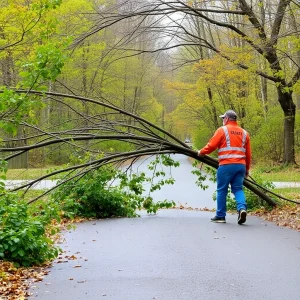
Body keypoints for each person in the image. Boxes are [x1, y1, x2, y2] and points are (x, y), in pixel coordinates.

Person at [197, 110, 251, 225]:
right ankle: (242, 209)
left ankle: (220, 215)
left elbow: (211, 145)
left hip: (226, 165)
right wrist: (247, 169)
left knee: (222, 190)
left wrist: (201, 152)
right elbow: (248, 154)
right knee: (238, 189)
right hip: (241, 166)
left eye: (223, 118)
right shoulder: (245, 133)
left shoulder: (222, 130)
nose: (222, 120)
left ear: (226, 118)